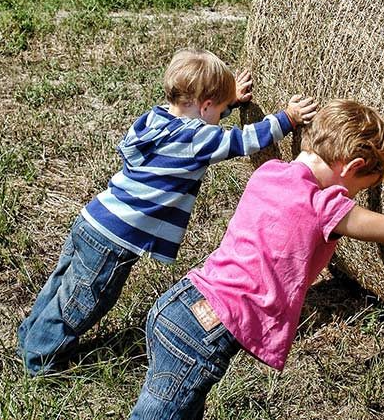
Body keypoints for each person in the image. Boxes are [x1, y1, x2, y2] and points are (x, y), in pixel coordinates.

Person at [129, 99, 384, 419]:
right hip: (205, 332)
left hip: (180, 305)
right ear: (353, 166)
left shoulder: (269, 172)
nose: (357, 195)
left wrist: (366, 156)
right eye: (365, 183)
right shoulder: (324, 206)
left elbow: (330, 178)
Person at [17, 48, 318, 375]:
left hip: (94, 219)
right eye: (218, 110)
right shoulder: (194, 138)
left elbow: (199, 125)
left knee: (60, 285)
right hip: (115, 239)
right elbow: (243, 141)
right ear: (204, 106)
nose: (221, 117)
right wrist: (287, 118)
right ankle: (41, 361)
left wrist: (228, 102)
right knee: (82, 302)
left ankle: (30, 336)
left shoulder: (155, 117)